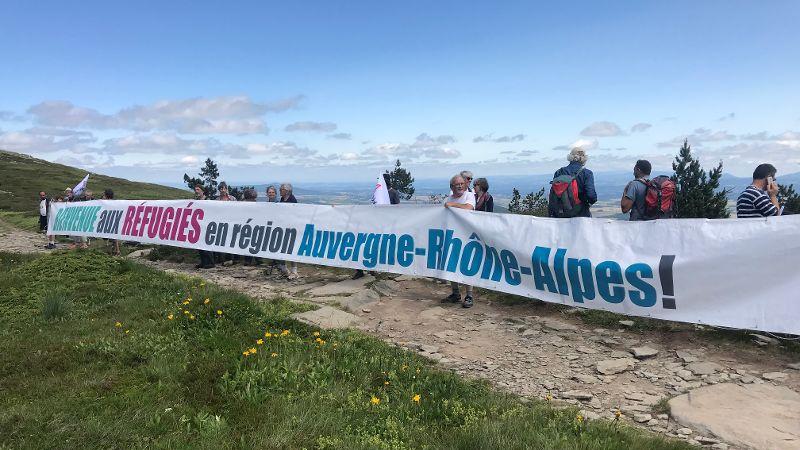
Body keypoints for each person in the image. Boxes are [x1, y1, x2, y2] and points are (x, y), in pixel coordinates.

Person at [443, 174, 476, 308]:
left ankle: (469, 295)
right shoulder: (448, 199)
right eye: (457, 184)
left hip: (467, 235)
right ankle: (455, 293)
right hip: (452, 235)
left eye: (462, 183)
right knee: (451, 263)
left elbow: (468, 208)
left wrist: (452, 205)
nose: (460, 186)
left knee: (466, 265)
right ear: (452, 186)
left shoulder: (469, 196)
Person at [548, 147, 597, 218]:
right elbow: (591, 195)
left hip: (560, 214)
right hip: (581, 214)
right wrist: (589, 203)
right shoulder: (587, 173)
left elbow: (554, 193)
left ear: (570, 157)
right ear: (584, 158)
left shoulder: (559, 172)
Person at [278, 183, 299, 279]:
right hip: (283, 227)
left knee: (291, 249)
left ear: (287, 191)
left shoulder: (292, 200)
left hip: (291, 227)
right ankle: (284, 268)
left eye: (281, 189)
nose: (280, 190)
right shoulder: (282, 199)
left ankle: (294, 271)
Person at [193, 185, 215, 269]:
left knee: (206, 244)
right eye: (195, 189)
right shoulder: (197, 201)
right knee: (199, 245)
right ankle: (203, 262)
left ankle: (210, 262)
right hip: (199, 225)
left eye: (198, 189)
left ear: (202, 191)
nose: (196, 191)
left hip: (206, 225)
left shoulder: (208, 200)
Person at [101, 189, 121, 256]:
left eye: (104, 195)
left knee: (113, 236)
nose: (103, 196)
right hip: (108, 220)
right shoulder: (109, 202)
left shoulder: (110, 203)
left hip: (111, 221)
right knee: (111, 236)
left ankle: (117, 251)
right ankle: (115, 250)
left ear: (107, 195)